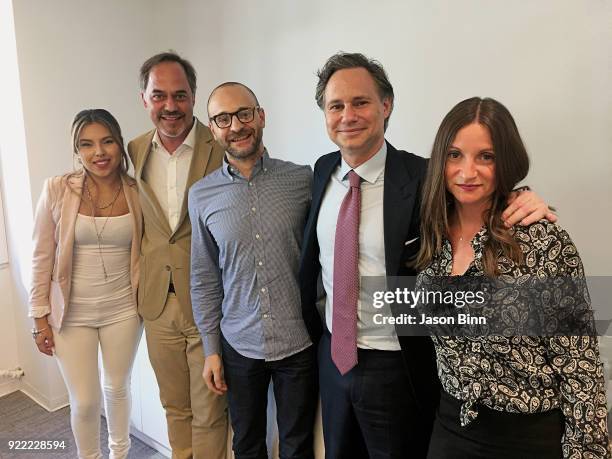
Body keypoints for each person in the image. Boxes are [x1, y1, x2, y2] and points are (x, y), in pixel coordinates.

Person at [299, 52, 556, 458]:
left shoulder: (424, 178)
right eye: (336, 105)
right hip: (334, 359)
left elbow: (477, 197)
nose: (348, 115)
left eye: (361, 102)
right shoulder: (321, 170)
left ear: (386, 105)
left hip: (396, 367)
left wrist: (522, 199)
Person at [415, 97, 610, 458]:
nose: (467, 171)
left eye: (485, 157)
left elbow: (580, 368)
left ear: (505, 161)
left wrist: (589, 451)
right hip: (450, 429)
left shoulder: (539, 240)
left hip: (527, 438)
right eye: (455, 155)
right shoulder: (431, 234)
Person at [189, 82, 317, 459]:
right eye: (223, 119)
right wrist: (211, 350)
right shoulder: (201, 195)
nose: (236, 125)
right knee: (246, 444)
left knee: (297, 444)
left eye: (244, 113)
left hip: (298, 341)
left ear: (261, 116)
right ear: (212, 129)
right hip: (239, 344)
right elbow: (204, 277)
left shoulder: (302, 180)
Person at [127, 51, 228, 459]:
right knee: (175, 406)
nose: (170, 106)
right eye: (159, 95)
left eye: (180, 95)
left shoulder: (221, 145)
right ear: (144, 99)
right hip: (156, 303)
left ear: (193, 96)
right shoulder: (133, 151)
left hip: (209, 303)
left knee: (209, 410)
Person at [29, 109, 142, 459]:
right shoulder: (57, 189)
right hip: (70, 314)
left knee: (118, 387)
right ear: (76, 151)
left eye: (107, 141)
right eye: (87, 144)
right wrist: (38, 317)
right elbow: (40, 255)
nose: (99, 152)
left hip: (123, 309)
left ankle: (119, 454)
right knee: (86, 400)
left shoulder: (138, 191)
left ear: (120, 144)